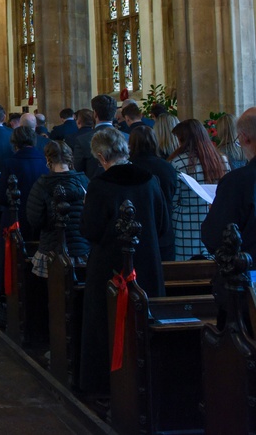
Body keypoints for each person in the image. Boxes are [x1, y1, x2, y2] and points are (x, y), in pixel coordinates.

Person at [79, 128, 167, 395]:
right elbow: (162, 225)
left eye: (98, 158)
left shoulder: (100, 185)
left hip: (109, 267)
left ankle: (106, 384)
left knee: (104, 325)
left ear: (103, 156)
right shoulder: (150, 181)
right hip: (147, 264)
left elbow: (90, 230)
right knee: (145, 321)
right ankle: (149, 381)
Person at [26, 140, 90, 277]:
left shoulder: (42, 185)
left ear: (48, 159)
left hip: (51, 250)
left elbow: (35, 220)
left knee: (55, 293)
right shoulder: (84, 181)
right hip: (82, 249)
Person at [168, 119, 228, 260]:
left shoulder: (178, 163)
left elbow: (174, 199)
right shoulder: (222, 160)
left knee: (187, 272)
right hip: (215, 222)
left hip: (186, 228)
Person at [202, 108, 256, 254]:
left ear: (244, 138)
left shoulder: (237, 182)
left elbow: (215, 238)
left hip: (248, 270)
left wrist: (216, 210)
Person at [128, 126, 178, 261]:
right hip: (164, 230)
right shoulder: (167, 166)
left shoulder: (129, 167)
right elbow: (172, 193)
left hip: (136, 231)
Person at [0, 126, 50, 240]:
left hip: (16, 217)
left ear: (14, 142)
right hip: (40, 216)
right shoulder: (45, 161)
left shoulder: (10, 163)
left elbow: (0, 196)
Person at [71, 95, 126, 180]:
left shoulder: (83, 140)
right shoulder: (127, 137)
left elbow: (77, 170)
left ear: (95, 114)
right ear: (114, 113)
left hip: (94, 189)